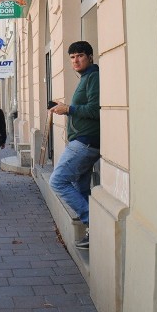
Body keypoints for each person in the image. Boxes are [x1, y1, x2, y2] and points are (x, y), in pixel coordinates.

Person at [49, 40, 100, 250]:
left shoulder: (94, 76)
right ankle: (92, 232)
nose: (75, 60)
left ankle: (93, 224)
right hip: (83, 141)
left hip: (85, 143)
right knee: (81, 187)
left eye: (79, 55)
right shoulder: (86, 77)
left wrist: (68, 109)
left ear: (89, 56)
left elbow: (96, 110)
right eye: (72, 57)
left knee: (57, 181)